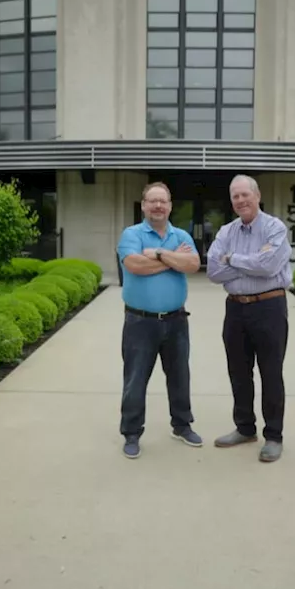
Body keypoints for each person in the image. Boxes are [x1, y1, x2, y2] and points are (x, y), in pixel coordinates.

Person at [206, 174, 293, 463]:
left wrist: (231, 259)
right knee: (238, 372)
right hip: (235, 310)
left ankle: (273, 436)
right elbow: (212, 272)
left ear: (257, 195)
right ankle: (245, 428)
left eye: (245, 194)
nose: (241, 200)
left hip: (269, 307)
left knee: (270, 372)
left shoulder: (274, 227)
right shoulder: (226, 231)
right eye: (235, 196)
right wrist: (250, 262)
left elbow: (268, 266)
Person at [115, 181, 203, 459]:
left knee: (179, 376)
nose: (158, 206)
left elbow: (194, 265)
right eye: (152, 201)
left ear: (170, 206)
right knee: (135, 379)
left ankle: (181, 425)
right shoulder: (131, 234)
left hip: (177, 321)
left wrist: (159, 254)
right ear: (143, 206)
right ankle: (131, 433)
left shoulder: (180, 235)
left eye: (162, 201)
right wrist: (173, 260)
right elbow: (134, 265)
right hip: (140, 323)